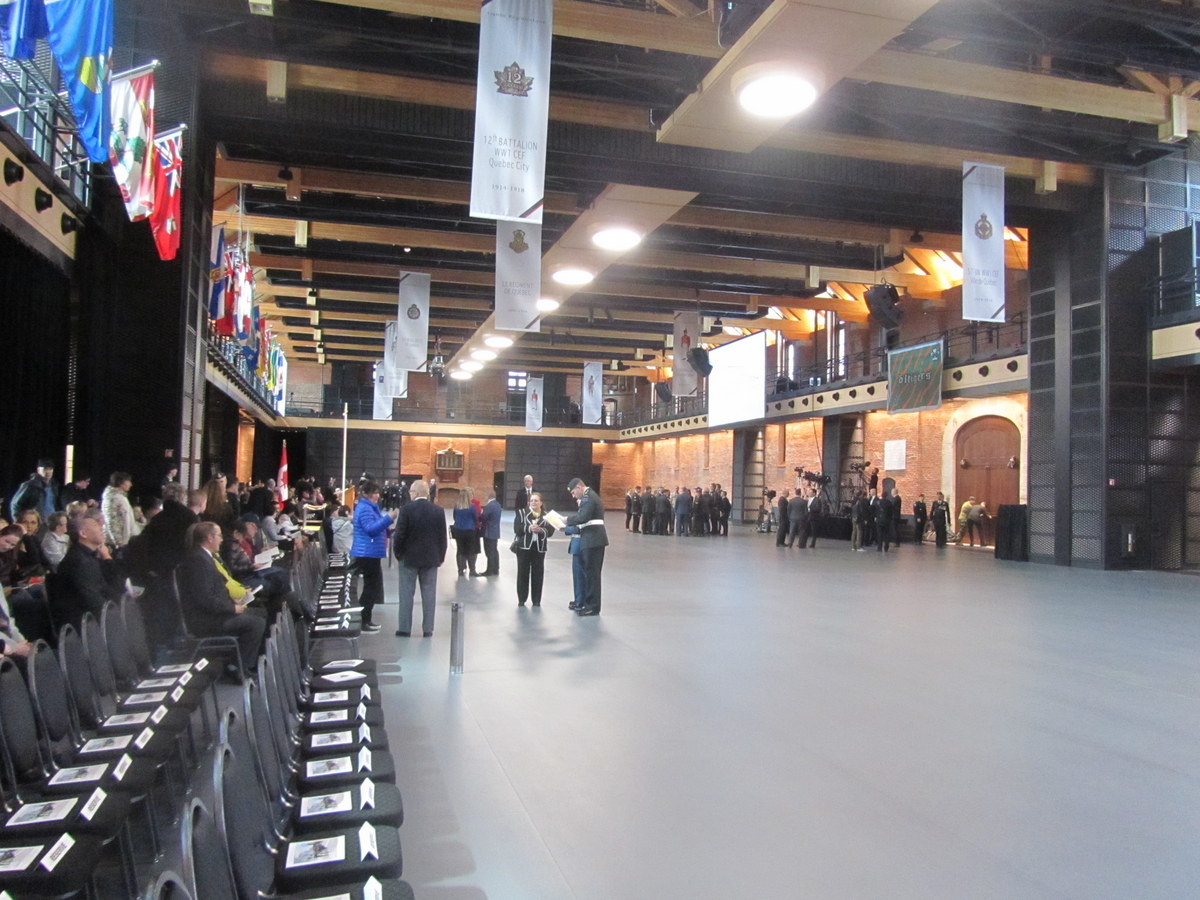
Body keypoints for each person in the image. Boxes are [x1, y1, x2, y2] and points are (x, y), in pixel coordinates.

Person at [177, 522, 266, 677]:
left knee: (261, 613)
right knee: (256, 623)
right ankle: (237, 667)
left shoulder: (205, 557)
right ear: (209, 538)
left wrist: (234, 602)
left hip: (215, 613)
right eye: (218, 536)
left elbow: (217, 590)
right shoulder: (198, 561)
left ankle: (251, 662)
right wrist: (232, 608)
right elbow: (205, 599)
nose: (221, 540)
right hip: (206, 620)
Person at [392, 479, 446, 637]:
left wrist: (398, 553)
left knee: (406, 593)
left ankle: (404, 628)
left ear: (414, 493)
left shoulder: (406, 510)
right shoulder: (438, 510)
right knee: (429, 595)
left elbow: (400, 535)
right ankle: (428, 629)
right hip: (430, 559)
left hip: (409, 558)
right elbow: (442, 537)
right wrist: (440, 556)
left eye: (410, 492)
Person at [51, 511, 124, 630]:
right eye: (96, 525)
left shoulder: (91, 556)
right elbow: (92, 600)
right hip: (86, 625)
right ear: (83, 534)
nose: (101, 528)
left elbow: (116, 583)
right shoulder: (79, 561)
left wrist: (106, 557)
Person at [350, 481, 397, 633]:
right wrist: (388, 518)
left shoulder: (370, 508)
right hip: (367, 552)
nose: (377, 496)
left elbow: (376, 527)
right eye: (374, 493)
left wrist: (388, 529)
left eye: (378, 492)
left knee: (372, 587)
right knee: (371, 588)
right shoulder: (365, 509)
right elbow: (370, 529)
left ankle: (366, 619)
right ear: (365, 494)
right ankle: (363, 620)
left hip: (371, 551)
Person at [564, 477, 607, 616]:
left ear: (579, 487)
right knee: (590, 573)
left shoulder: (588, 498)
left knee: (592, 575)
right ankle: (589, 604)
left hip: (593, 540)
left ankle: (592, 606)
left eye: (573, 492)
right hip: (591, 540)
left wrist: (566, 520)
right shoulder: (589, 497)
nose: (573, 496)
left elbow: (583, 517)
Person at [513, 492, 555, 607]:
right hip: (524, 548)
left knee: (538, 574)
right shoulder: (521, 513)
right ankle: (522, 599)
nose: (533, 503)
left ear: (541, 503)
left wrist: (541, 530)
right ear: (528, 502)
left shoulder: (547, 516)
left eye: (536, 501)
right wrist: (529, 528)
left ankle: (536, 600)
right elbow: (517, 529)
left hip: (539, 549)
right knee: (522, 573)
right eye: (531, 500)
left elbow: (551, 531)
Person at [101, 471, 142, 550]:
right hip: (119, 542)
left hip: (117, 540)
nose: (131, 484)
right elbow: (113, 520)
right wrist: (120, 543)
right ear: (121, 482)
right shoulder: (117, 498)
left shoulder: (114, 496)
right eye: (129, 481)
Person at [450, 488, 481, 577]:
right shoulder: (472, 507)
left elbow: (454, 517)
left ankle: (460, 570)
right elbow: (475, 519)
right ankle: (472, 571)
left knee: (460, 550)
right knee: (470, 550)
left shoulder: (456, 506)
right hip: (469, 531)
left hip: (458, 530)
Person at [876, 488, 895, 553]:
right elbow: (891, 512)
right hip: (887, 521)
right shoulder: (889, 503)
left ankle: (879, 547)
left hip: (879, 520)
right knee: (886, 534)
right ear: (887, 496)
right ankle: (886, 547)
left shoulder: (878, 502)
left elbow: (876, 511)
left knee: (879, 534)